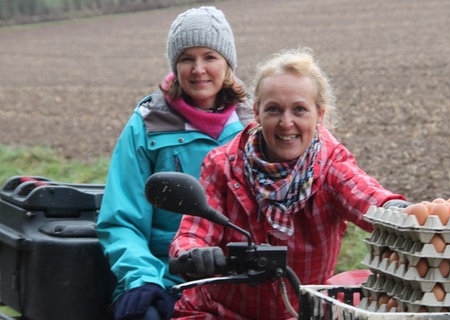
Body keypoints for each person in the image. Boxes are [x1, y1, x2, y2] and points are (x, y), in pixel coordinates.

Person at [169, 48, 408, 319]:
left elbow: (370, 199)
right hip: (221, 311)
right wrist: (194, 254)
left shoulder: (331, 166)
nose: (286, 123)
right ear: (257, 112)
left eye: (299, 110)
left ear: (319, 115)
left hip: (299, 312)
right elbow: (193, 232)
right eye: (274, 110)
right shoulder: (222, 165)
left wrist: (404, 213)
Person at [96, 6, 253, 320]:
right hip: (166, 275)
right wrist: (143, 279)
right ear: (175, 65)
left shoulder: (254, 124)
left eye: (209, 56)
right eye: (186, 59)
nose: (198, 69)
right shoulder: (148, 124)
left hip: (241, 277)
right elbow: (121, 220)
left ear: (227, 63)